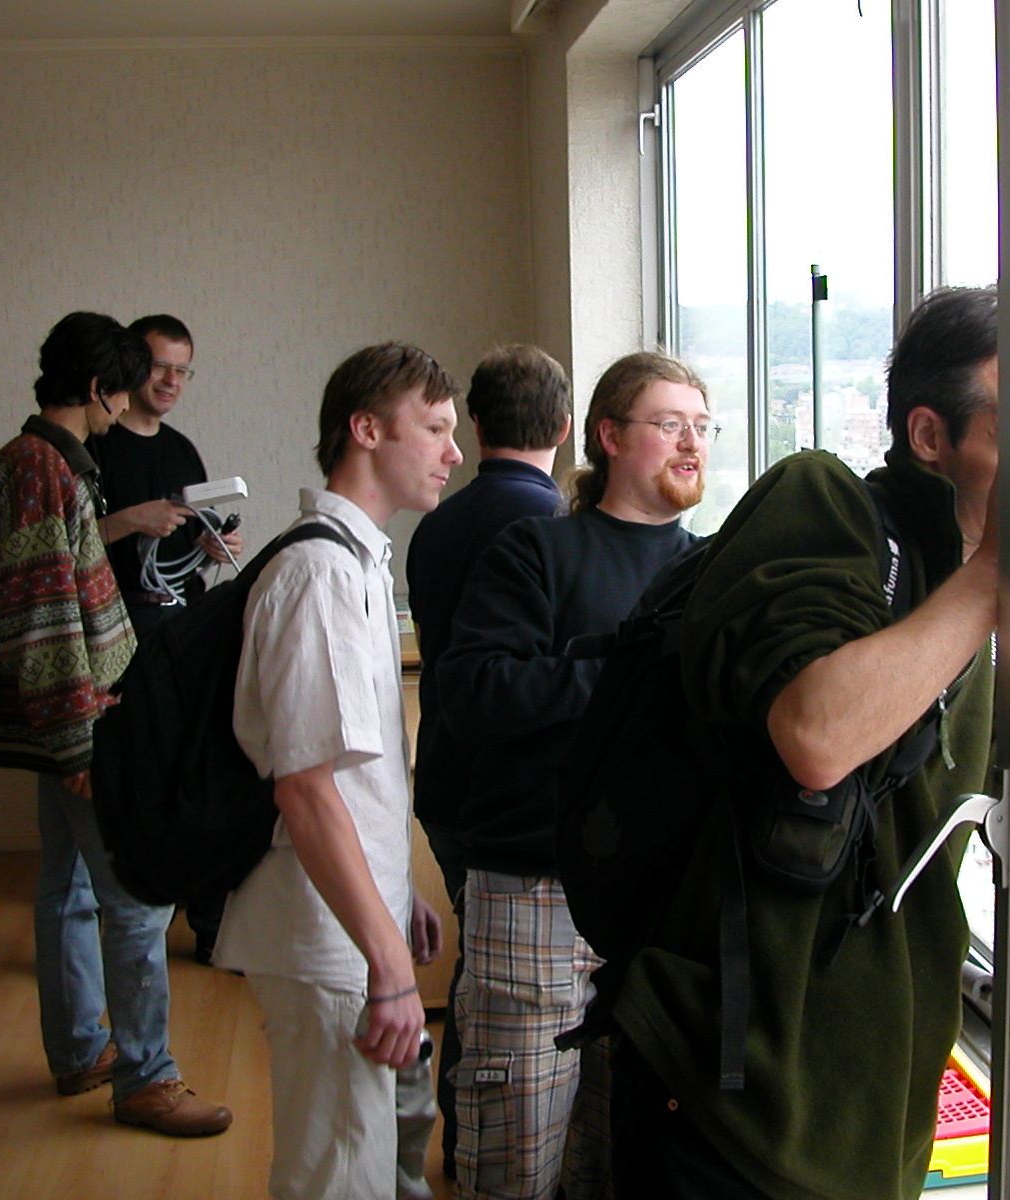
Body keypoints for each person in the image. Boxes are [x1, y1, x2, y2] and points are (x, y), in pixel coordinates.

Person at [608, 286, 1010, 1199]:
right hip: (729, 1105)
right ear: (930, 435)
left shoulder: (977, 627)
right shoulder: (827, 507)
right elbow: (816, 735)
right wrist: (1000, 566)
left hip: (866, 1131)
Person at [435, 351, 713, 1200]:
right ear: (608, 437)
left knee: (613, 1164)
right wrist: (629, 672)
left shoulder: (710, 571)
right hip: (534, 892)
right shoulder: (536, 550)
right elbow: (474, 692)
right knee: (515, 1167)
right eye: (670, 424)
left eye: (702, 427)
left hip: (654, 908)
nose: (692, 443)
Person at [214, 342, 461, 1200]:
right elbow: (306, 789)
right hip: (327, 941)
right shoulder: (318, 573)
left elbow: (354, 779)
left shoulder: (356, 560)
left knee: (386, 1149)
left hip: (354, 923)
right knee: (339, 1174)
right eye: (434, 428)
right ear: (366, 429)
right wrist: (386, 962)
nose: (452, 452)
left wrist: (399, 896)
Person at [0, 311, 234, 1137]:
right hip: (82, 718)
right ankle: (146, 1078)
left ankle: (81, 1049)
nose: (122, 407)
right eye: (120, 391)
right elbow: (44, 616)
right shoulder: (42, 468)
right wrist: (78, 739)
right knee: (134, 898)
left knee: (68, 887)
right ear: (96, 388)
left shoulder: (40, 461)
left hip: (72, 714)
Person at [405, 344, 573, 1179]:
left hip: (442, 772)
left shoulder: (436, 523)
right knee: (494, 980)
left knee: (480, 963)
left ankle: (461, 1140)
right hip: (507, 791)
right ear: (568, 427)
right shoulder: (557, 533)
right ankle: (475, 1147)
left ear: (474, 425)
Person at [91, 313, 245, 964]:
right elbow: (71, 545)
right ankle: (137, 904)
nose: (172, 381)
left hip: (184, 625)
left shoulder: (181, 450)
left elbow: (188, 542)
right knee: (142, 773)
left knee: (203, 770)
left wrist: (214, 546)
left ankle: (211, 926)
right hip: (121, 631)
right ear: (132, 367)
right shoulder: (96, 448)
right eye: (160, 367)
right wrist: (131, 520)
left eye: (183, 370)